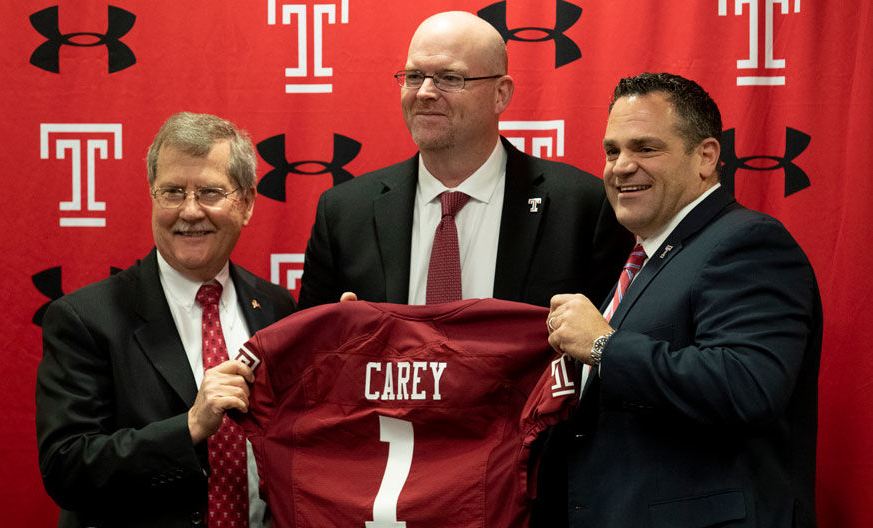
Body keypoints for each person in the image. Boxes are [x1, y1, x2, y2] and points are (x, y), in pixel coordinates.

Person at [540, 73, 822, 527]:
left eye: (645, 148)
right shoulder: (646, 257)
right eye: (612, 150)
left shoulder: (747, 242)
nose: (620, 167)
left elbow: (748, 385)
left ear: (706, 157)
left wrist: (603, 347)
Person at [36, 112, 296, 528]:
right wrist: (190, 426)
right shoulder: (85, 319)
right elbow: (67, 468)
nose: (190, 212)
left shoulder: (279, 308)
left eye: (210, 192)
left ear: (246, 203)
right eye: (173, 192)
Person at [298, 11, 632, 309]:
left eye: (449, 78)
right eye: (414, 77)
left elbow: (605, 349)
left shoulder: (582, 207)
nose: (425, 92)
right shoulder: (344, 212)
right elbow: (306, 356)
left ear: (500, 94)